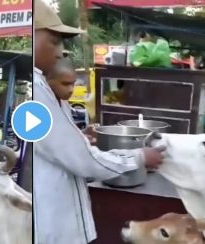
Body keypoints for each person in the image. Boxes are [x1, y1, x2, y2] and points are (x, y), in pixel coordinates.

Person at [33, 1, 165, 244]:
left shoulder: (45, 90)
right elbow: (82, 161)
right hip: (54, 230)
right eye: (54, 41)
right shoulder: (37, 94)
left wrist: (77, 136)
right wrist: (138, 158)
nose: (61, 51)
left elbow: (55, 145)